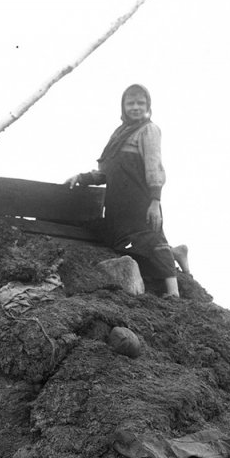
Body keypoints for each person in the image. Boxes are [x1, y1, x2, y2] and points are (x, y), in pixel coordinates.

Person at [66, 84, 181, 298]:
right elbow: (106, 172)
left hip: (141, 200)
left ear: (148, 106)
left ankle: (173, 292)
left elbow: (154, 167)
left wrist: (155, 201)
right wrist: (82, 178)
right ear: (123, 106)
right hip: (119, 202)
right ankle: (177, 253)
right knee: (121, 243)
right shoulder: (119, 134)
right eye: (131, 103)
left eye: (141, 103)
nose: (136, 107)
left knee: (151, 239)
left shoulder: (149, 130)